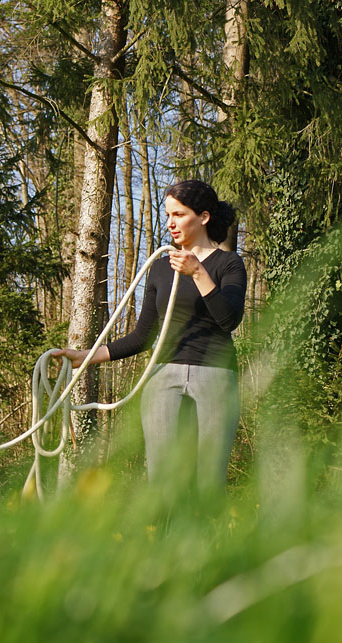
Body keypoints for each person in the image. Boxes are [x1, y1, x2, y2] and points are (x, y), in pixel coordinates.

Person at [55, 180, 247, 494]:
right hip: (163, 375)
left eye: (179, 214)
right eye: (168, 214)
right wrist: (85, 357)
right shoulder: (159, 269)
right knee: (162, 482)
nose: (170, 222)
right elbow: (142, 336)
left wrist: (198, 272)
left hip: (216, 374)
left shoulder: (228, 264)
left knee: (209, 482)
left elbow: (228, 320)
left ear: (204, 217)